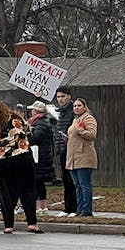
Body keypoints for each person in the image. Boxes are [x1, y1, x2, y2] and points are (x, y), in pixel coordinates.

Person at [0, 99, 41, 233]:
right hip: (20, 155)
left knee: (6, 193)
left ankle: (8, 225)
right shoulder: (15, 117)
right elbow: (28, 131)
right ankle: (32, 223)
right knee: (27, 190)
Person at [65, 98, 98, 217]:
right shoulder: (75, 120)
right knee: (77, 185)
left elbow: (92, 135)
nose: (76, 108)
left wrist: (80, 131)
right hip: (73, 157)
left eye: (79, 105)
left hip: (84, 156)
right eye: (74, 106)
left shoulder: (88, 118)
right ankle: (79, 209)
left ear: (84, 107)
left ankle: (87, 210)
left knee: (85, 184)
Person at [26, 101, 56, 214]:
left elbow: (36, 138)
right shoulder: (38, 122)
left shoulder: (41, 123)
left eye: (33, 110)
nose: (31, 112)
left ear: (37, 111)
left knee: (38, 181)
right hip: (39, 155)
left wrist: (28, 135)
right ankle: (40, 205)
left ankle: (41, 206)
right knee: (37, 182)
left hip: (40, 156)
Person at [53, 87, 77, 217]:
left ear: (68, 96)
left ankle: (74, 207)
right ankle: (67, 207)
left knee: (72, 179)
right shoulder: (60, 112)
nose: (60, 99)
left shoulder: (72, 111)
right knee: (65, 179)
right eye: (58, 97)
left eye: (62, 97)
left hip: (71, 149)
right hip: (62, 149)